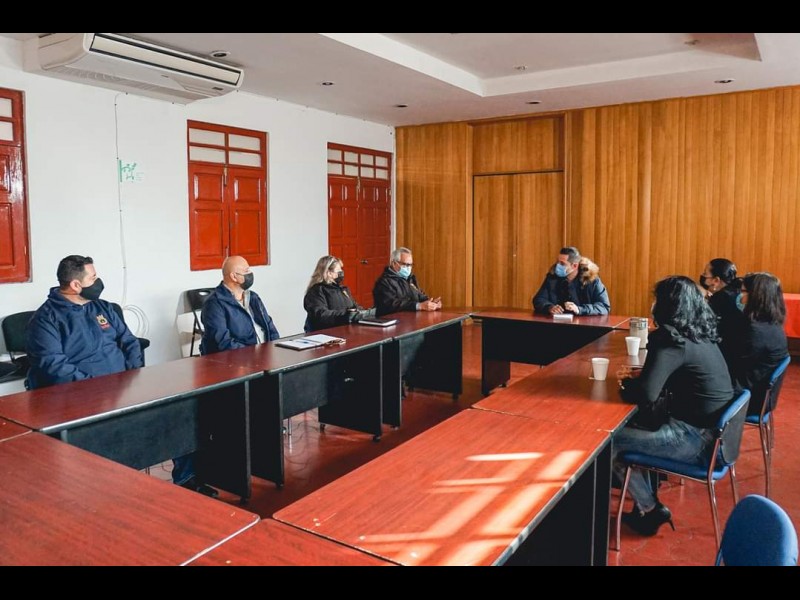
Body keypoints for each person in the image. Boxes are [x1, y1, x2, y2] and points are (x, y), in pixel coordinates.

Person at [615, 276, 734, 536]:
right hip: (718, 439)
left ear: (667, 304)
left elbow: (646, 395)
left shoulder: (672, 339)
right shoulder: (701, 335)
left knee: (609, 444)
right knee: (640, 427)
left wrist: (626, 385)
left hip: (694, 441)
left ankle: (650, 508)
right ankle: (644, 505)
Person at [26, 255, 143, 389]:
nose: (97, 282)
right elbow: (54, 366)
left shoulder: (103, 307)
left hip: (121, 385)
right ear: (76, 285)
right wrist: (94, 387)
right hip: (82, 392)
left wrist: (132, 373)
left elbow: (129, 341)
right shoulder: (45, 320)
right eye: (93, 278)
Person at [732, 272, 789, 416]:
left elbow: (737, 366)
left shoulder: (756, 331)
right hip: (760, 394)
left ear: (756, 297)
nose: (740, 296)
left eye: (743, 291)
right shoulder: (772, 323)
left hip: (749, 399)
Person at [200, 255, 279, 354]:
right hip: (238, 358)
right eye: (246, 271)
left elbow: (270, 327)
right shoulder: (214, 304)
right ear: (234, 277)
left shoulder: (253, 297)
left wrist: (276, 347)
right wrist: (254, 354)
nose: (250, 274)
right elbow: (223, 343)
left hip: (264, 355)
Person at [303, 255, 374, 332]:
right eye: (339, 270)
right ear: (329, 273)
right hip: (326, 333)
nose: (341, 272)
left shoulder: (343, 290)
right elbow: (321, 315)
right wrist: (347, 315)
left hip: (346, 331)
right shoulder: (316, 291)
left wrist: (365, 313)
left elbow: (354, 307)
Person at [532, 247, 610, 316]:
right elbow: (539, 299)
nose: (557, 266)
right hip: (556, 324)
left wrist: (579, 309)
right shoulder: (552, 277)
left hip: (585, 325)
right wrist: (549, 307)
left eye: (562, 263)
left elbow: (604, 307)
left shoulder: (592, 280)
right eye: (557, 262)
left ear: (575, 266)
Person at [700, 258, 745, 364]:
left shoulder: (721, 297)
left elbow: (704, 325)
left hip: (728, 355)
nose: (703, 277)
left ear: (716, 280)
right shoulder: (739, 291)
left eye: (705, 274)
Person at [373, 247, 441, 317]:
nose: (409, 268)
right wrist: (418, 306)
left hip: (411, 319)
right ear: (394, 263)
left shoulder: (411, 278)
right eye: (406, 264)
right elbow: (391, 304)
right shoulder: (384, 282)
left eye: (411, 265)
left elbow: (419, 295)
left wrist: (431, 303)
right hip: (390, 320)